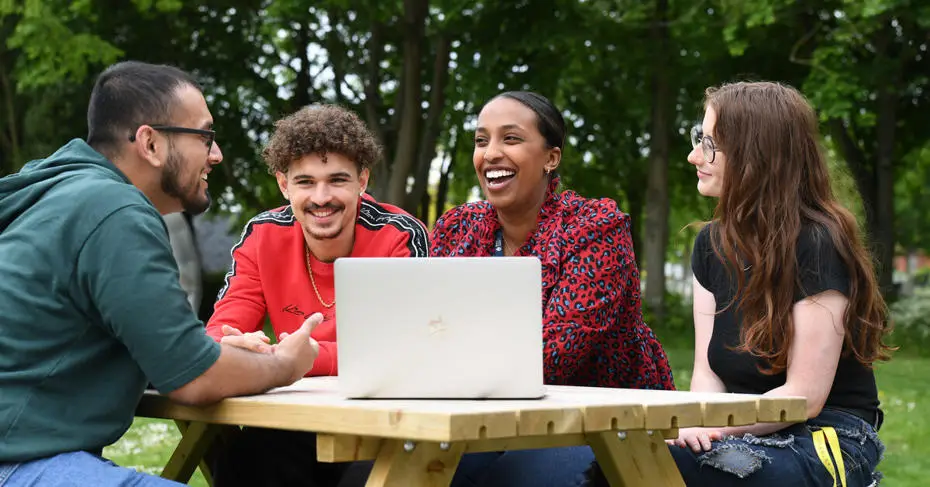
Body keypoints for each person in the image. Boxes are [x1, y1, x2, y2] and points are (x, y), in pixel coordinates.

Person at [0, 61, 322, 486]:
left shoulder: (54, 195)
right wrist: (285, 363)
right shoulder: (114, 210)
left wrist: (221, 354)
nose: (216, 154)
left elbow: (160, 352)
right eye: (205, 136)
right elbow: (192, 376)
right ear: (150, 143)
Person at [429, 91, 675, 487]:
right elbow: (429, 332)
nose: (491, 152)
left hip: (600, 422)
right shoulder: (456, 228)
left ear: (551, 158)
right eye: (481, 140)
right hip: (482, 416)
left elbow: (554, 354)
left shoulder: (594, 227)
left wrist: (441, 369)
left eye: (510, 139)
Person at [669, 81, 892, 486]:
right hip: (737, 428)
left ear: (756, 156)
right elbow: (707, 374)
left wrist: (713, 431)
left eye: (710, 144)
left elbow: (803, 398)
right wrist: (696, 425)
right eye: (698, 139)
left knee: (695, 469)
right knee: (624, 460)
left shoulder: (819, 244)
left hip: (827, 435)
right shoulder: (709, 245)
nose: (694, 156)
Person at [204, 104, 429, 487]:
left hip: (382, 427)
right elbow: (219, 333)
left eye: (337, 180)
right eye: (305, 181)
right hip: (294, 421)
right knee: (243, 457)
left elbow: (404, 351)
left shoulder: (399, 236)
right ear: (283, 184)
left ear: (363, 180)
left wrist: (298, 359)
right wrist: (239, 346)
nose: (321, 197)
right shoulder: (262, 235)